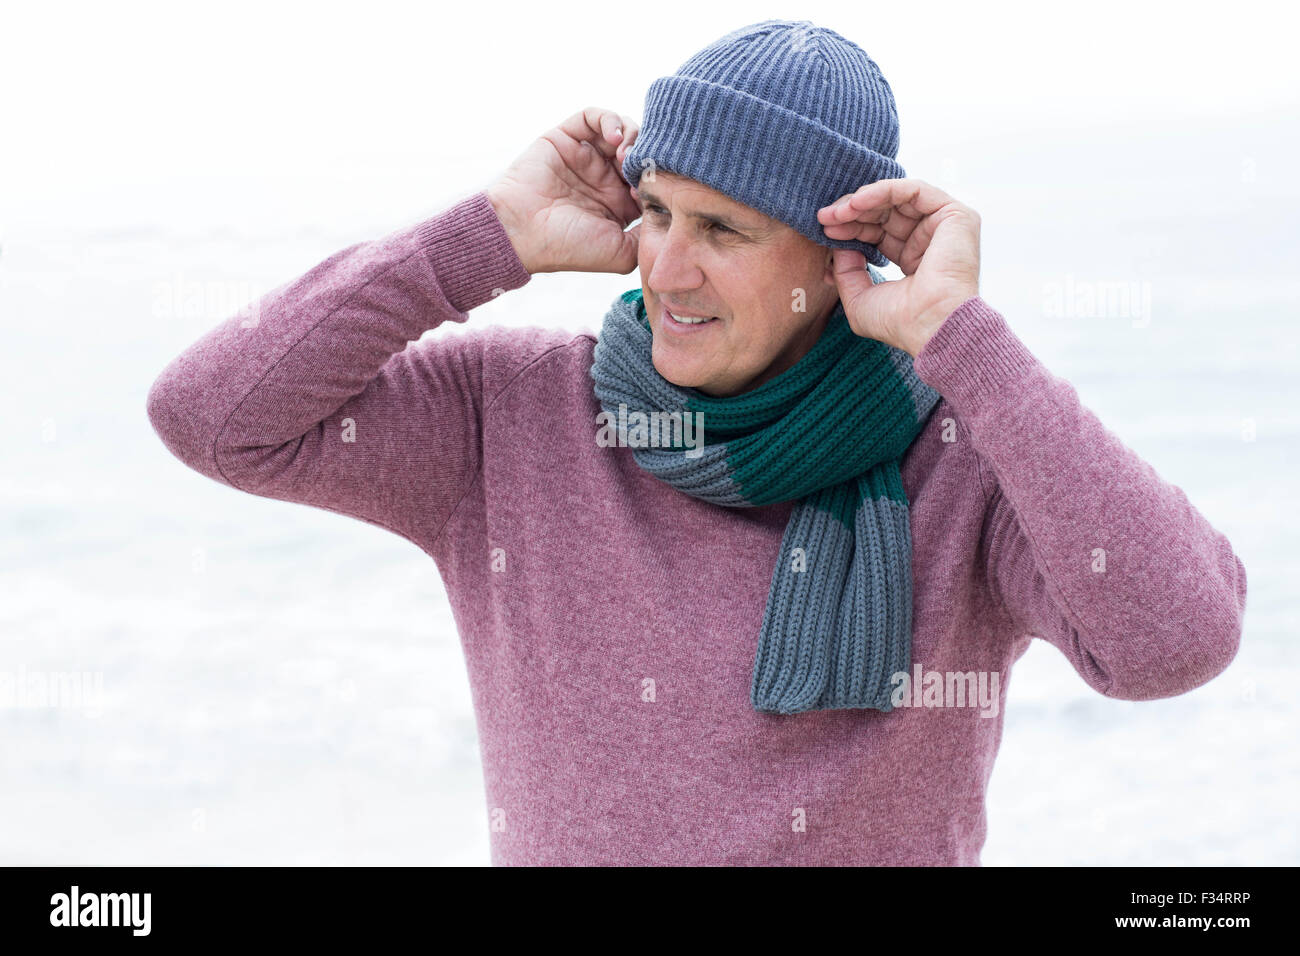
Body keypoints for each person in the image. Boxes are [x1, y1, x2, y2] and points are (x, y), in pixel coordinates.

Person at [147, 19, 1248, 865]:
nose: (665, 268)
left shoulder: (962, 454)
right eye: (659, 210)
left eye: (722, 229)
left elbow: (1175, 638)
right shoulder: (515, 411)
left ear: (836, 258)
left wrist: (966, 340)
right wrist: (478, 241)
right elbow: (212, 417)